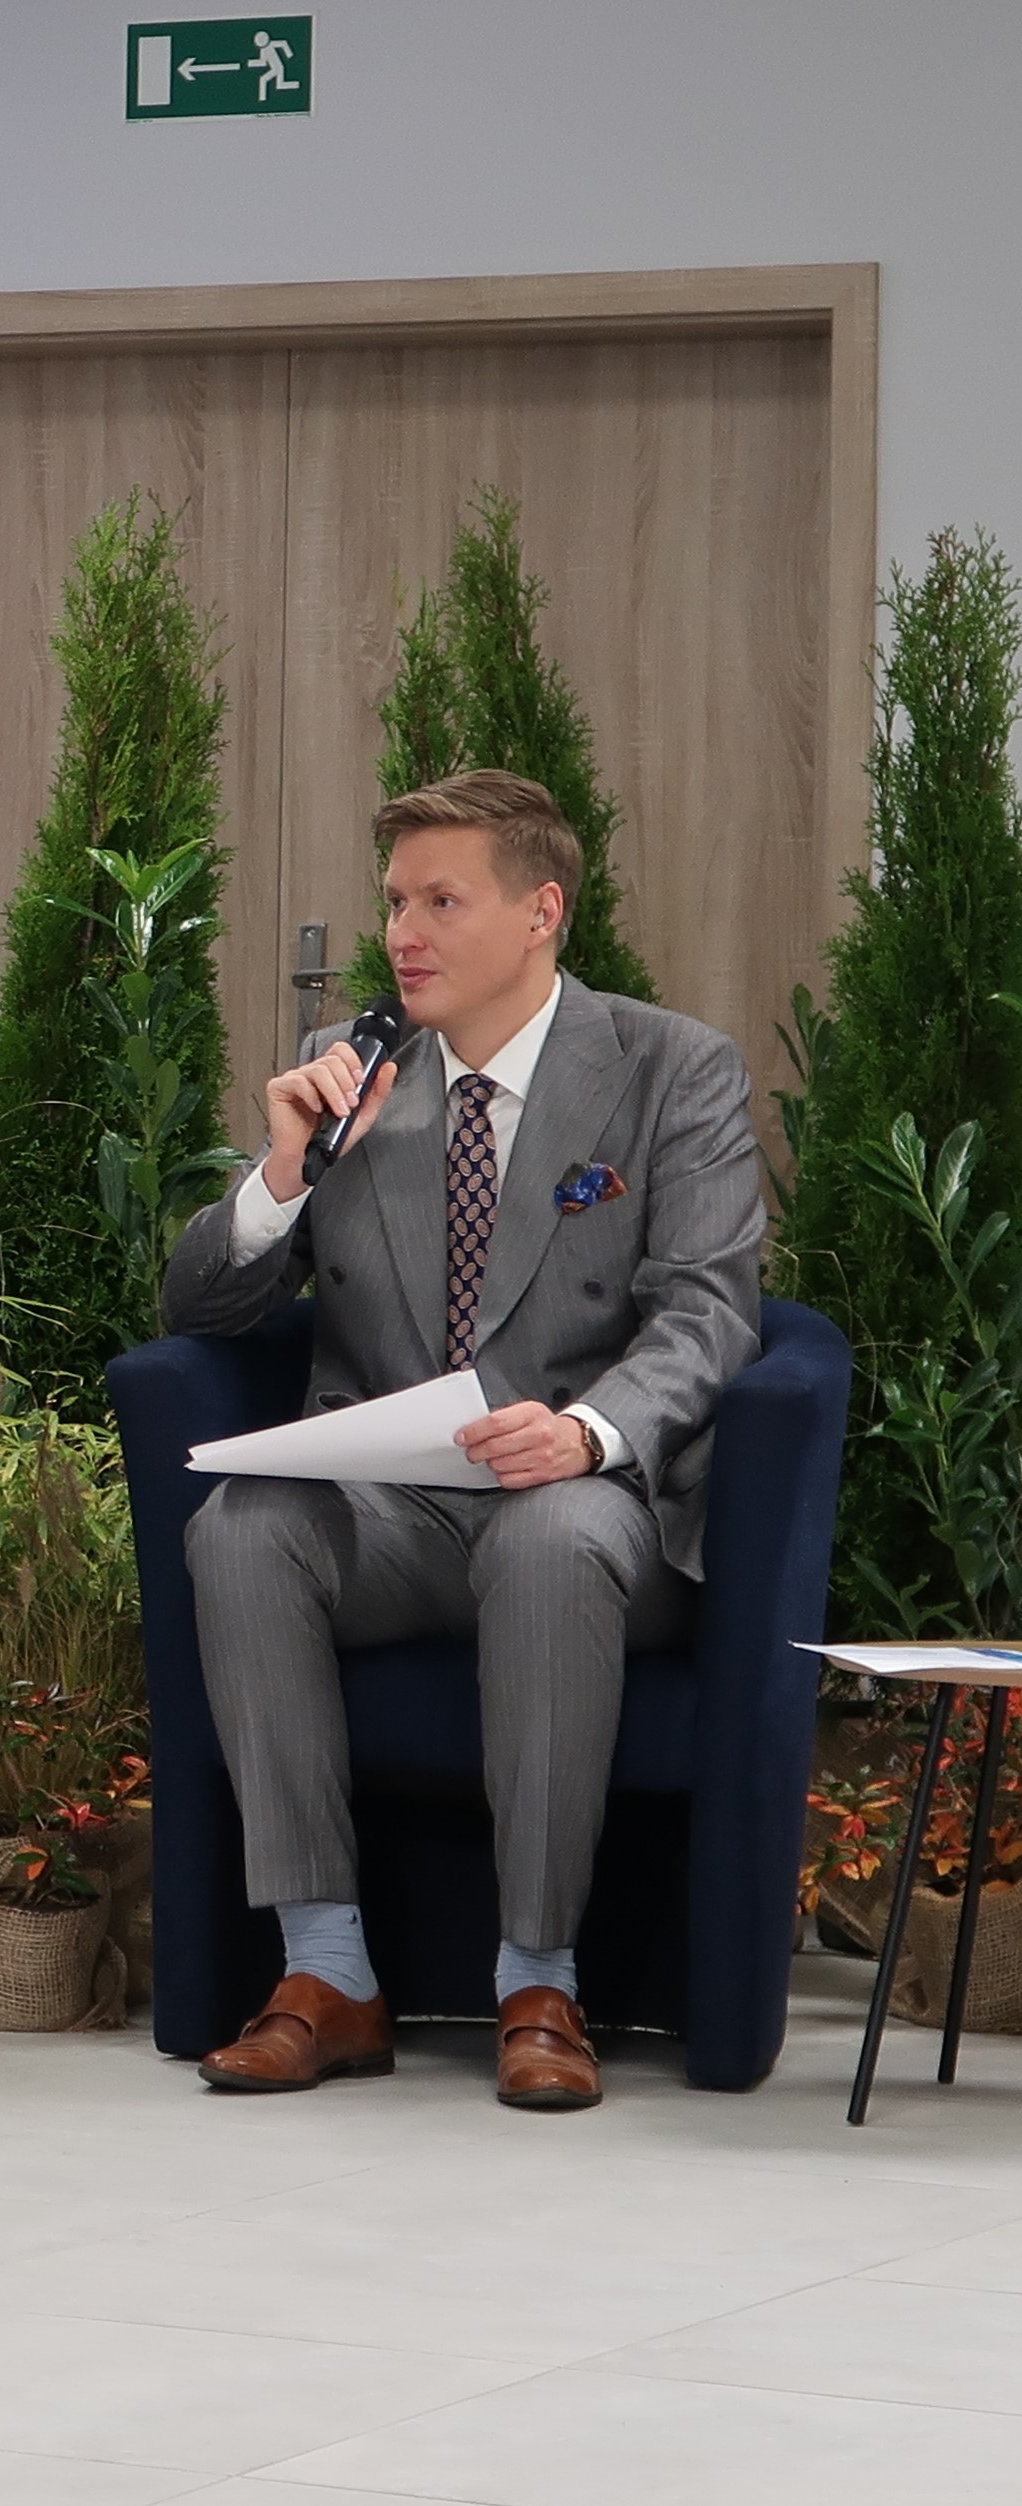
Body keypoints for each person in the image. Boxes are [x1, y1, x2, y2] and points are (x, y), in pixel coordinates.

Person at [165, 769, 762, 2113]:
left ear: (541, 911)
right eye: (394, 903)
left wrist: (591, 1432)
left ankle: (539, 1982)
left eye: (442, 901)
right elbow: (199, 1310)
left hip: (591, 1504)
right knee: (243, 1526)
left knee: (552, 1540)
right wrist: (283, 1170)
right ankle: (326, 1973)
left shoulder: (671, 1067)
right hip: (398, 1511)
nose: (402, 934)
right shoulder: (358, 1075)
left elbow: (711, 1312)